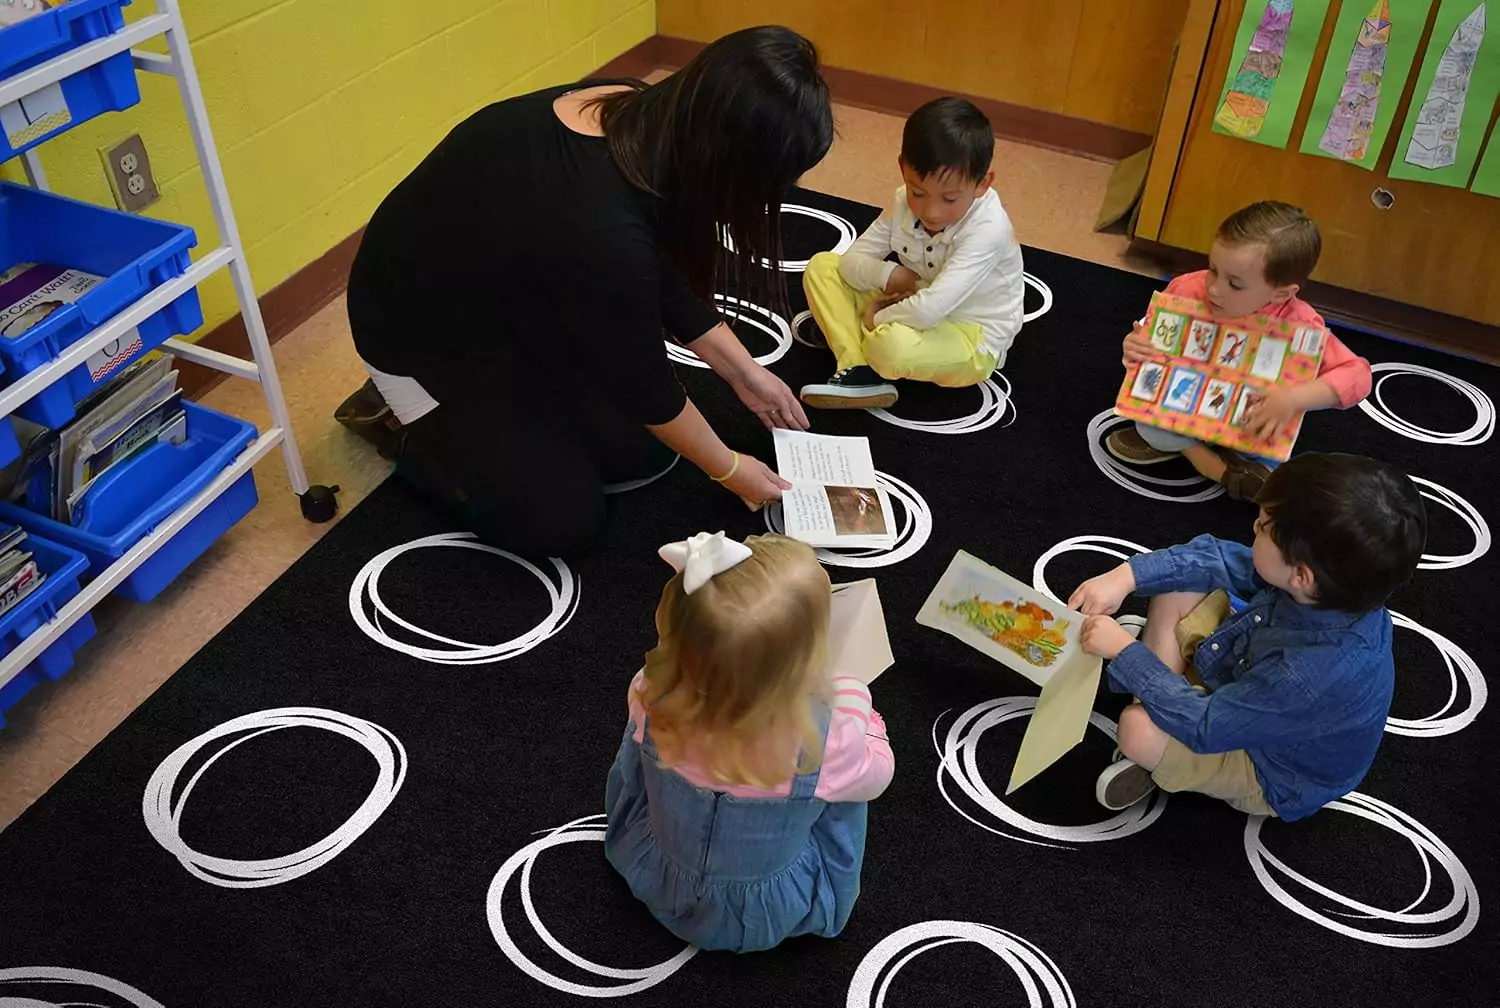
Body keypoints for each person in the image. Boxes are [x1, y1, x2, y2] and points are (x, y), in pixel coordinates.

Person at [337, 27, 833, 556]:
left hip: (515, 297)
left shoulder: (638, 111)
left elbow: (657, 267)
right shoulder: (600, 228)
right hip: (420, 338)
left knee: (643, 454)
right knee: (558, 521)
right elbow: (646, 383)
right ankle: (401, 424)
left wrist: (742, 371)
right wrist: (730, 470)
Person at [1068, 453, 1427, 821]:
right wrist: (1125, 577)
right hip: (1248, 681)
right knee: (1180, 582)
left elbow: (1207, 725)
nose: (1253, 527)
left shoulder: (1304, 675)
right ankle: (1159, 696)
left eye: (1263, 526)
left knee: (1136, 729)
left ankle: (1156, 726)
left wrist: (1126, 653)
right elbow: (1218, 559)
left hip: (1269, 766)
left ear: (1301, 576)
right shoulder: (1330, 589)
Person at [604, 532, 894, 953]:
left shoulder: (650, 692)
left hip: (656, 873)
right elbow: (879, 774)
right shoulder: (824, 740)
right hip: (763, 910)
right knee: (846, 783)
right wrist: (854, 694)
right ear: (799, 665)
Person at [1107, 201, 1373, 501]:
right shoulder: (1187, 289)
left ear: (1281, 293)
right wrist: (1134, 345)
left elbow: (1359, 375)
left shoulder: (1300, 325)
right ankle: (1217, 468)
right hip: (1186, 405)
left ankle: (1212, 457)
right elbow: (1151, 335)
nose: (1214, 288)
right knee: (1148, 423)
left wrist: (1292, 399)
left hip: (1247, 422)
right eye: (1213, 269)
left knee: (1268, 446)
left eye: (1234, 283)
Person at [797, 97, 1024, 410]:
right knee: (823, 266)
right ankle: (858, 366)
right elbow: (851, 262)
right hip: (914, 300)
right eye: (918, 192)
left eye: (949, 199)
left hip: (970, 335)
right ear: (902, 167)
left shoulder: (989, 229)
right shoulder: (903, 201)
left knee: (890, 348)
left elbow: (929, 311)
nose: (931, 211)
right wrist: (891, 275)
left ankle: (857, 343)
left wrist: (876, 317)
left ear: (983, 183)